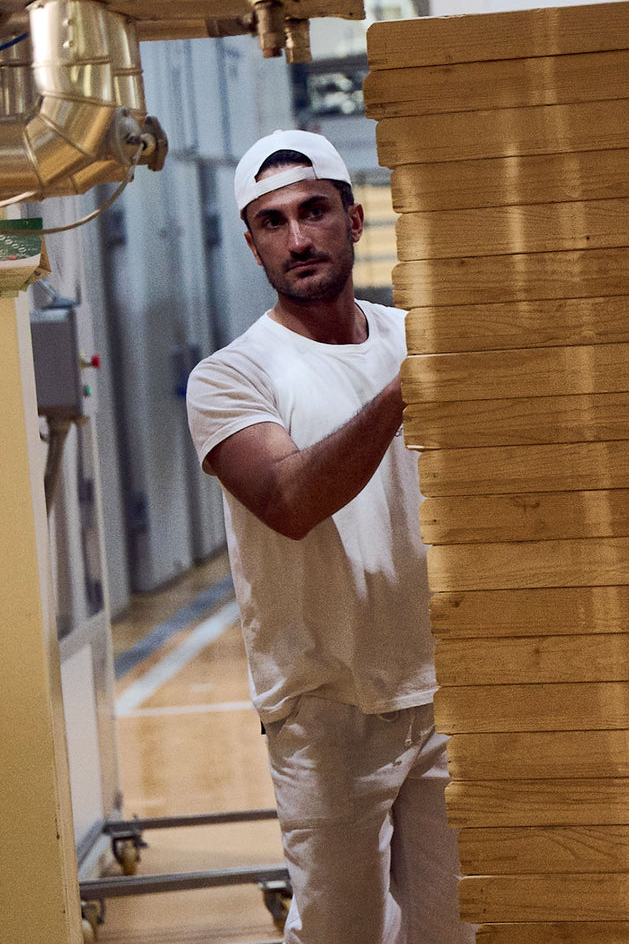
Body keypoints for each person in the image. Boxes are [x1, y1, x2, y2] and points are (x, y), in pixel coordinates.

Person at [185, 129, 473, 943]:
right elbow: (287, 497)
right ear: (252, 244)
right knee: (340, 932)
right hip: (324, 705)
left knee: (455, 930)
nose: (298, 237)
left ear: (353, 217)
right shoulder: (232, 375)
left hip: (447, 689)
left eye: (314, 211)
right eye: (272, 222)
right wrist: (401, 394)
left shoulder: (414, 335)